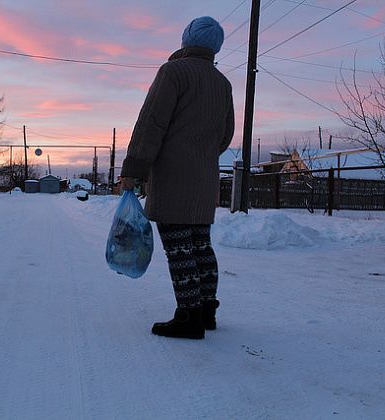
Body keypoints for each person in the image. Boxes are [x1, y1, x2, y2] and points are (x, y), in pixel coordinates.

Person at [120, 16, 235, 339]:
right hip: (205, 177)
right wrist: (202, 154)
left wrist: (134, 170)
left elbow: (151, 125)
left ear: (186, 39)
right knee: (200, 244)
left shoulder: (173, 72)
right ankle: (206, 309)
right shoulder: (222, 83)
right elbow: (225, 136)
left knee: (179, 247)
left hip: (173, 176)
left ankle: (188, 317)